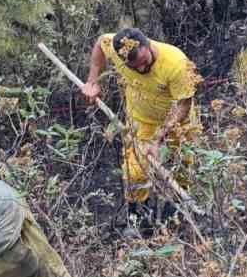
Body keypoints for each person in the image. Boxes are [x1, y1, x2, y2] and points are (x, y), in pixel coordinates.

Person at [81, 27, 200, 234]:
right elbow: (101, 42)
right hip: (141, 121)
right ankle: (139, 221)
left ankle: (176, 216)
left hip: (178, 123)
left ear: (148, 45)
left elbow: (183, 105)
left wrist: (158, 138)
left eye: (145, 62)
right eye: (135, 67)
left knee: (181, 167)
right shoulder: (117, 48)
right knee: (134, 172)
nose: (143, 69)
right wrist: (93, 82)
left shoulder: (176, 63)